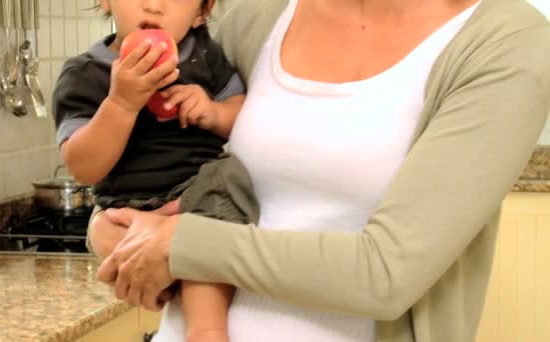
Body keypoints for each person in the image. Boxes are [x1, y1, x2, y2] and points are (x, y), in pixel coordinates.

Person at [95, 0, 550, 341]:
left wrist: (182, 243)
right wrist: (108, 232)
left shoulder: (506, 42)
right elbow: (145, 168)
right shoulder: (260, 16)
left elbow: (388, 275)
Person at [52, 1, 256, 341]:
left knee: (215, 211)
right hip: (126, 207)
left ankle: (205, 332)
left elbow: (245, 118)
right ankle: (163, 290)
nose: (154, 5)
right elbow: (83, 167)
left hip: (196, 189)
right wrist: (121, 102)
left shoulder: (202, 53)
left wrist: (213, 111)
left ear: (201, 12)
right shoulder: (84, 74)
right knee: (128, 245)